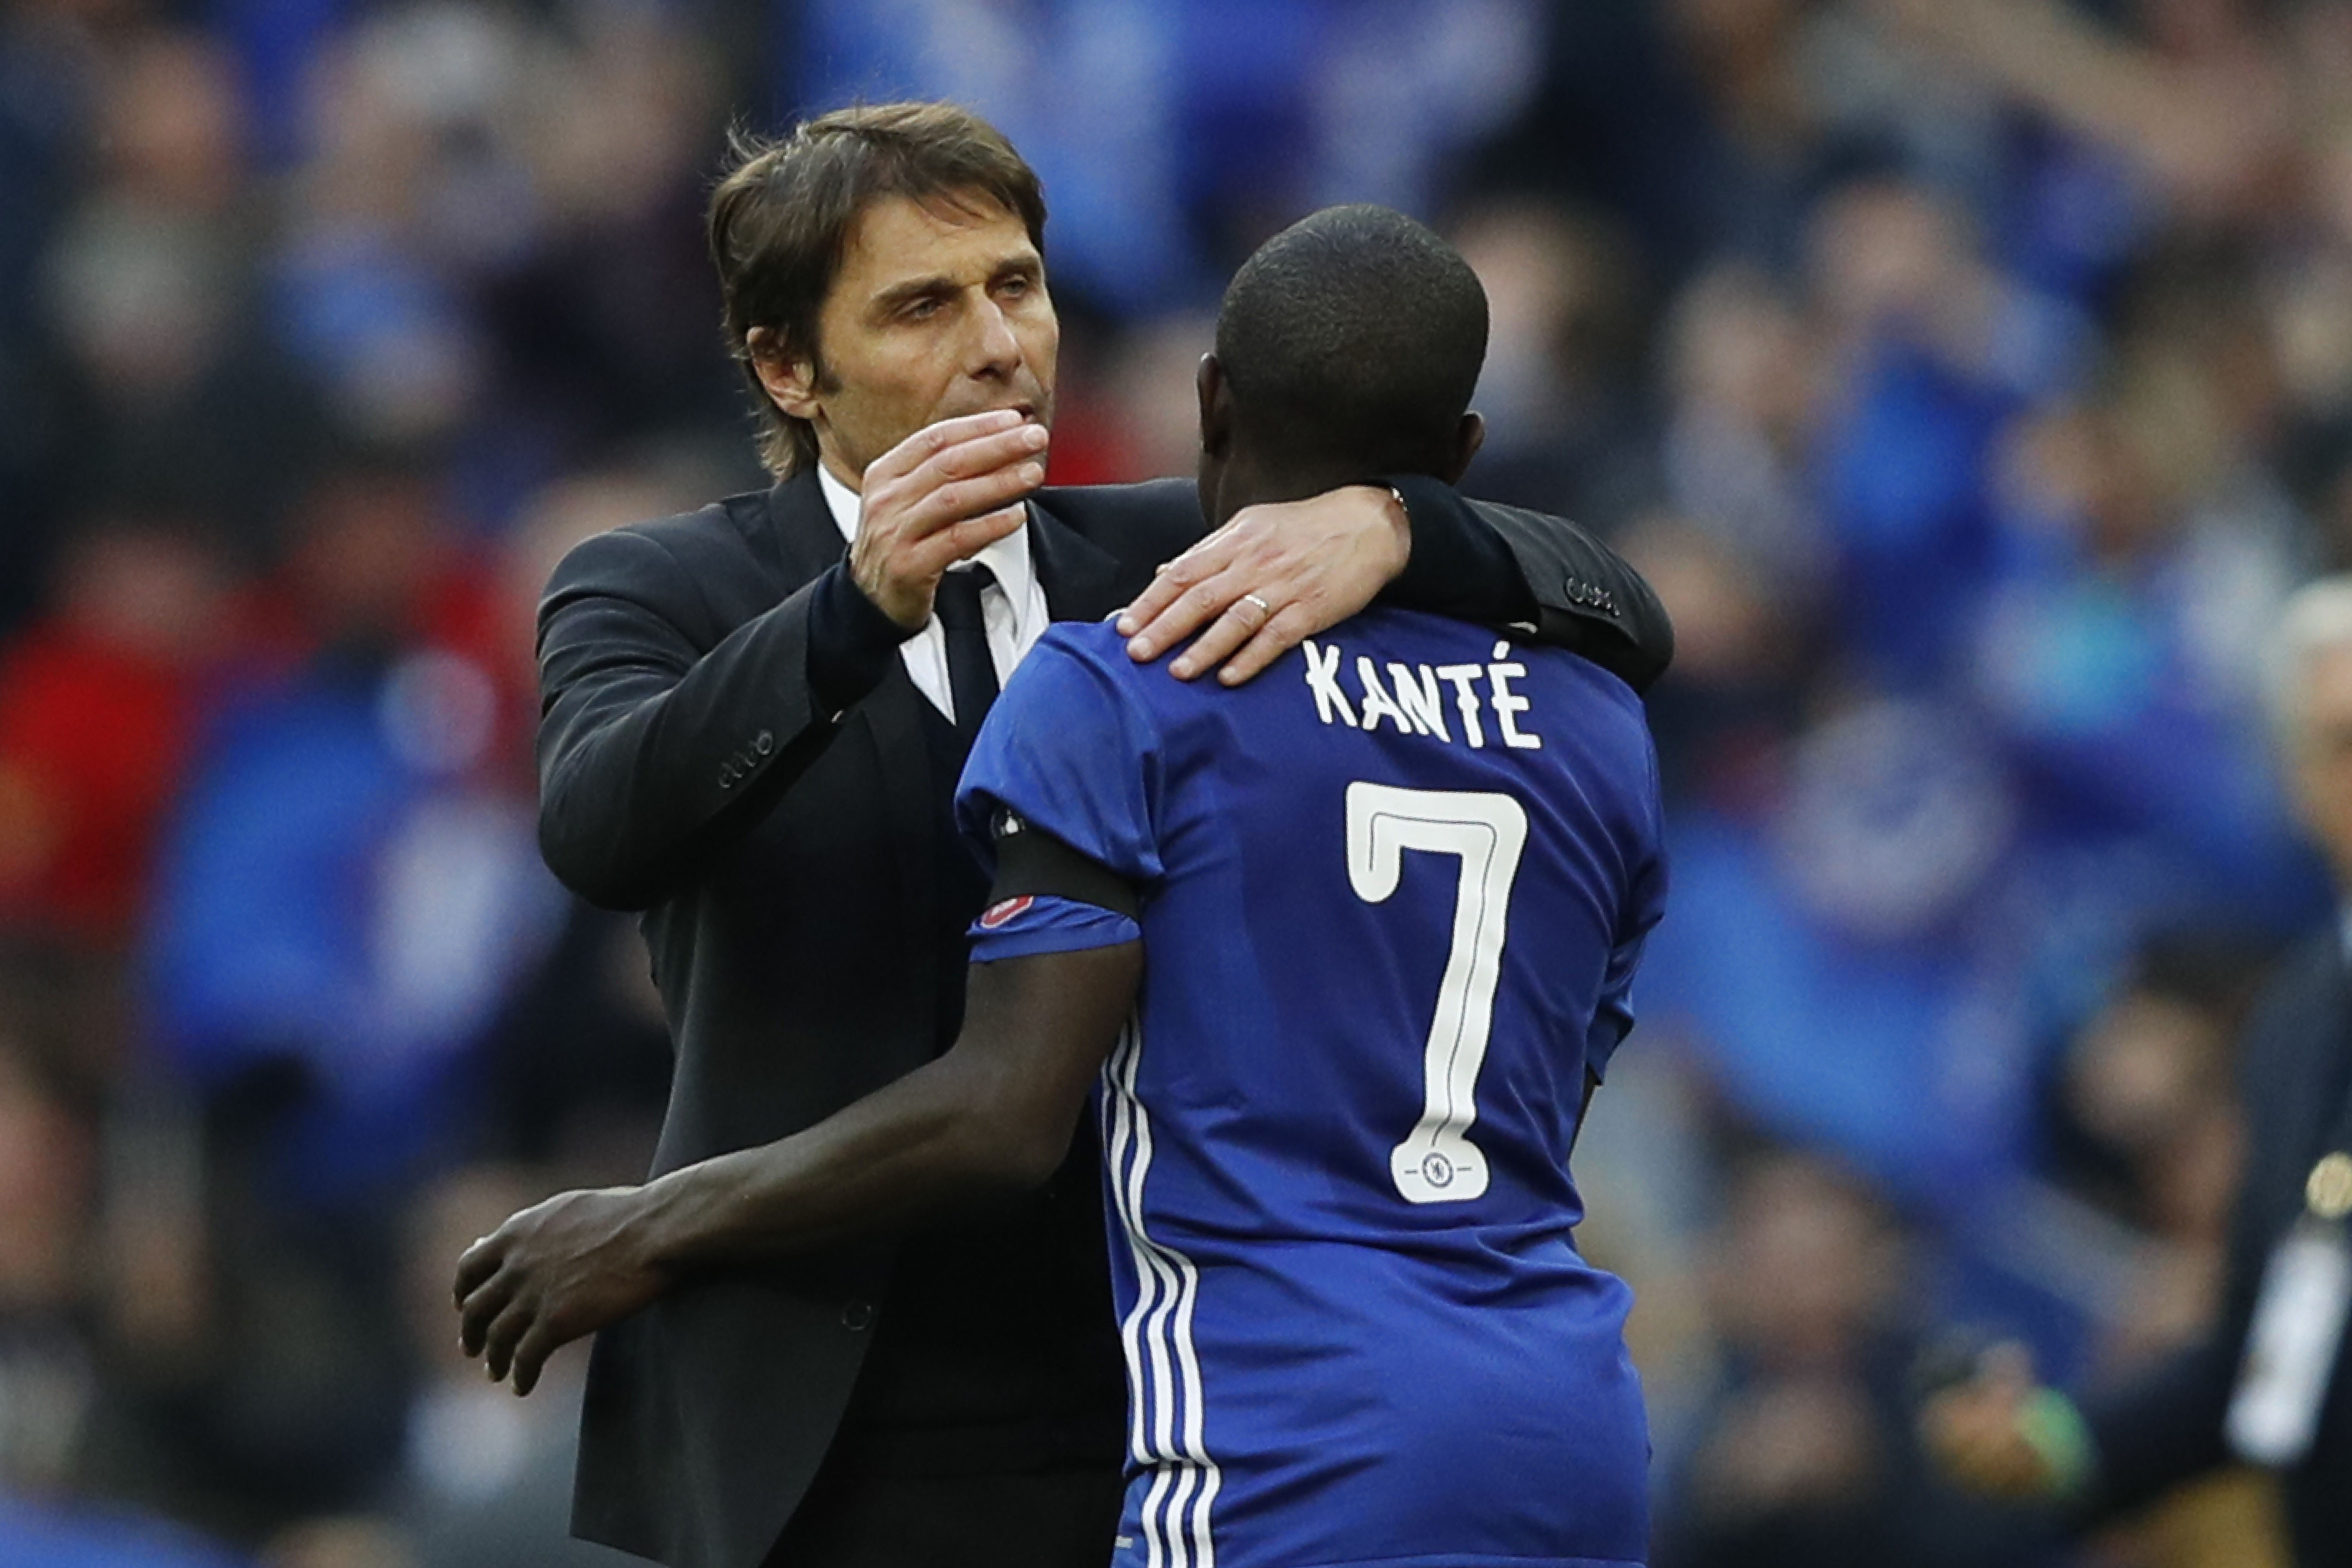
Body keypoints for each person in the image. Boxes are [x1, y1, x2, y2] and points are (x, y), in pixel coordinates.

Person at [509, 104, 1673, 1568]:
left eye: (1017, 285)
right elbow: (602, 826)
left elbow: (1621, 613)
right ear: (788, 367)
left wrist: (1402, 526)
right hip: (814, 1404)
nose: (999, 343)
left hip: (1135, 1395)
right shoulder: (658, 585)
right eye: (924, 306)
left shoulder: (1185, 555)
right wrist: (848, 615)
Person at [1918, 575, 2352, 1567]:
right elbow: (2273, 1354)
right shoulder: (2294, 1019)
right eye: (2341, 744)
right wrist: (2059, 1444)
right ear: (2295, 780)